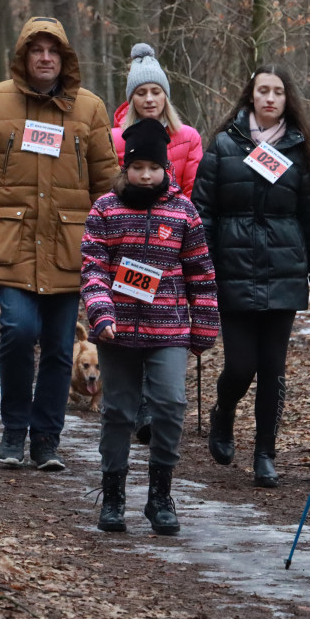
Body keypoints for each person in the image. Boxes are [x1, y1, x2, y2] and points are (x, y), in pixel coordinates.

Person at [0, 16, 120, 471]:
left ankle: (46, 440)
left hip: (69, 248)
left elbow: (107, 189)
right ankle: (13, 431)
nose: (45, 58)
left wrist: (114, 252)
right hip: (10, 243)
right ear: (24, 56)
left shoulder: (90, 109)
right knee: (19, 331)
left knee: (62, 347)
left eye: (53, 51)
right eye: (36, 50)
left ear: (64, 58)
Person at [191, 64, 310, 488]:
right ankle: (223, 412)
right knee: (240, 366)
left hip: (284, 273)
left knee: (272, 369)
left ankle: (264, 453)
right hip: (232, 272)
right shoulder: (222, 145)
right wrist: (201, 271)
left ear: (287, 99)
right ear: (250, 97)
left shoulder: (299, 150)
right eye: (262, 91)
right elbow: (204, 213)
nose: (270, 98)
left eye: (278, 91)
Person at [80, 118, 219, 534]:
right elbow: (93, 268)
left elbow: (201, 272)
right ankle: (114, 495)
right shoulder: (106, 208)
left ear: (165, 169)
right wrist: (101, 312)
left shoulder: (183, 212)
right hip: (116, 332)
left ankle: (160, 495)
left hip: (169, 328)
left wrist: (205, 325)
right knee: (118, 411)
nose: (145, 175)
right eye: (138, 167)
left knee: (171, 404)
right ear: (126, 167)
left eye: (153, 168)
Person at [111, 42, 204, 445]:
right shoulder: (115, 137)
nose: (149, 99)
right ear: (131, 97)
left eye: (155, 92)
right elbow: (111, 187)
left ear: (166, 95)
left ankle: (155, 399)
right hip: (127, 239)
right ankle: (136, 403)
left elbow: (193, 188)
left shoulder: (187, 137)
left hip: (172, 237)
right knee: (132, 315)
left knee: (163, 320)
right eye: (141, 93)